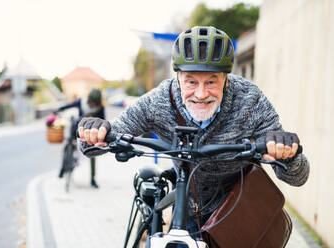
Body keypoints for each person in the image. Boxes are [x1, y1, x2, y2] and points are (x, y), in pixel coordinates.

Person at [77, 26, 309, 239]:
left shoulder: (250, 100)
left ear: (226, 79)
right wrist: (97, 132)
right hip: (188, 211)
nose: (200, 94)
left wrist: (288, 154)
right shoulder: (160, 101)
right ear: (177, 78)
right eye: (191, 82)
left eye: (211, 82)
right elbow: (94, 145)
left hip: (240, 211)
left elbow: (298, 176)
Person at [55, 88, 105, 188]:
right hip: (76, 131)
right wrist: (58, 109)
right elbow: (69, 106)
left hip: (90, 135)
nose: (92, 105)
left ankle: (92, 179)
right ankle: (62, 169)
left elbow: (103, 122)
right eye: (91, 102)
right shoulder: (81, 102)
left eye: (94, 103)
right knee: (67, 145)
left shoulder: (100, 108)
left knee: (93, 154)